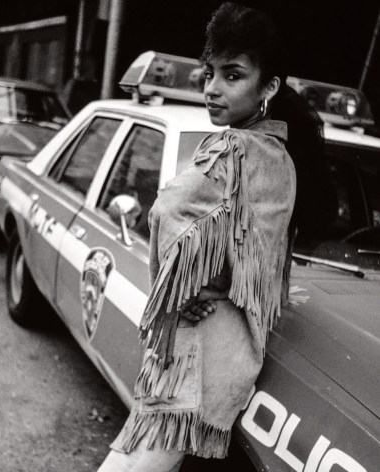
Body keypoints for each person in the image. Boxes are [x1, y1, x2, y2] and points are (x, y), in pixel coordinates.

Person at [97, 3, 306, 471]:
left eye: (232, 76)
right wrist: (204, 282)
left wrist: (176, 288)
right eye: (209, 73)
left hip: (197, 348)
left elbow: (168, 210)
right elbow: (255, 259)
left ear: (268, 86)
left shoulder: (233, 148)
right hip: (233, 350)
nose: (212, 88)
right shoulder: (280, 160)